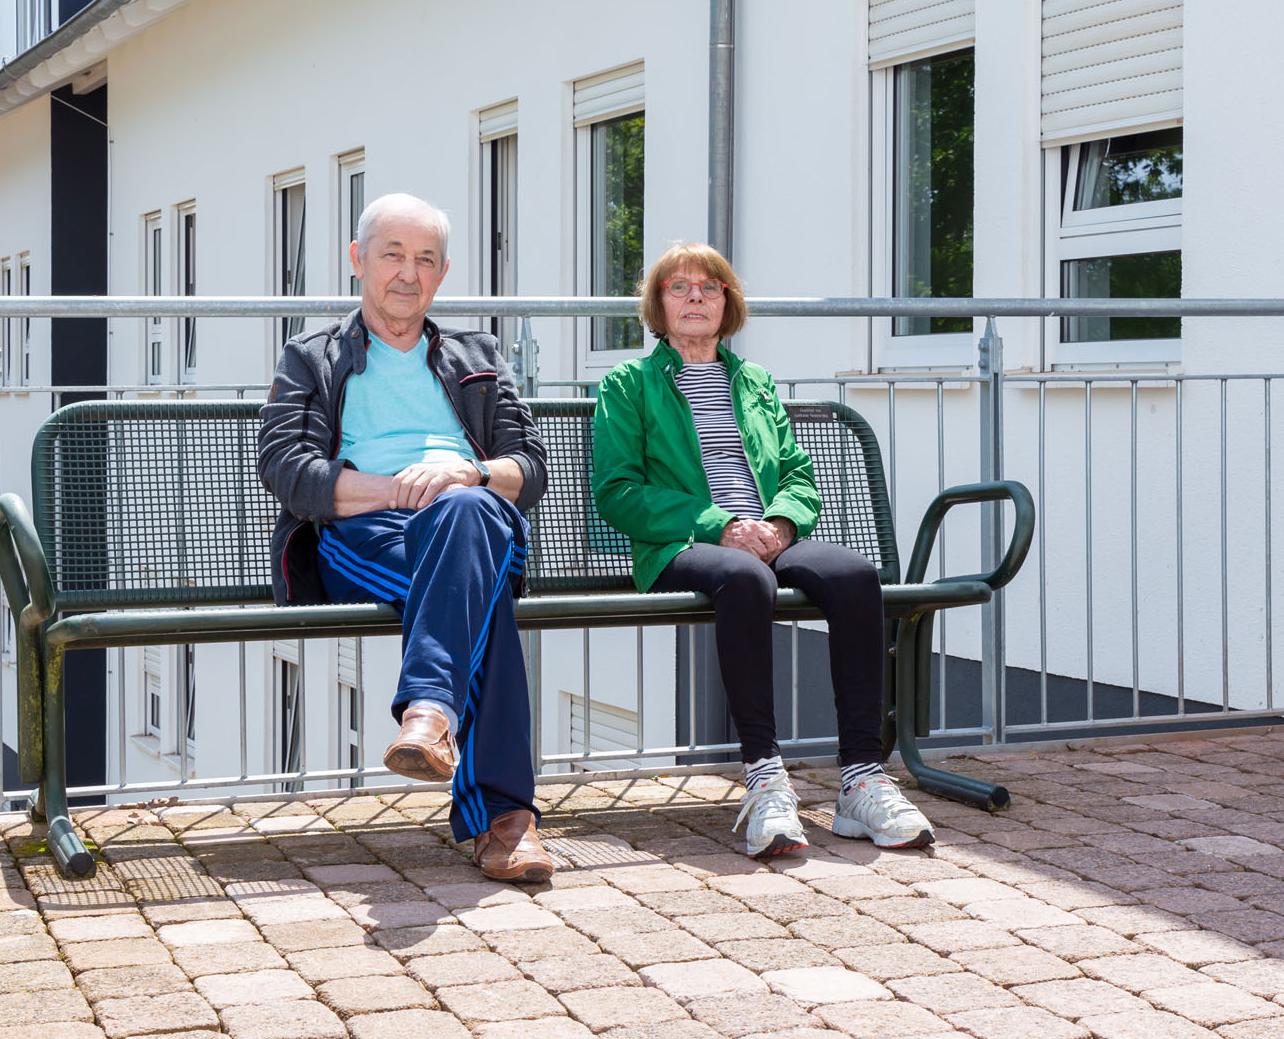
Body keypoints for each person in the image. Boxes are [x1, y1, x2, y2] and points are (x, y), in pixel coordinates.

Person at [590, 243, 936, 859]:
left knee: (855, 575)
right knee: (747, 579)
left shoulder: (753, 381)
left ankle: (860, 779)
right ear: (658, 305)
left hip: (768, 538)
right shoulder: (629, 384)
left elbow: (800, 475)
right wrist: (719, 524)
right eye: (679, 287)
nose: (695, 297)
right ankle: (766, 780)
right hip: (682, 544)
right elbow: (617, 492)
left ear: (728, 304)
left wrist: (779, 523)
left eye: (710, 287)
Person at [258, 193, 552, 881]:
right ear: (359, 260)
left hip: (474, 522)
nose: (407, 272)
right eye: (393, 253)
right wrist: (400, 487)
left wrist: (467, 471)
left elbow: (530, 466)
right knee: (479, 594)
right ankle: (507, 821)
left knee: (467, 513)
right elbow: (286, 469)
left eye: (425, 259)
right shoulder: (312, 357)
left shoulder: (477, 355)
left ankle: (428, 710)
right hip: (365, 534)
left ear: (442, 274)